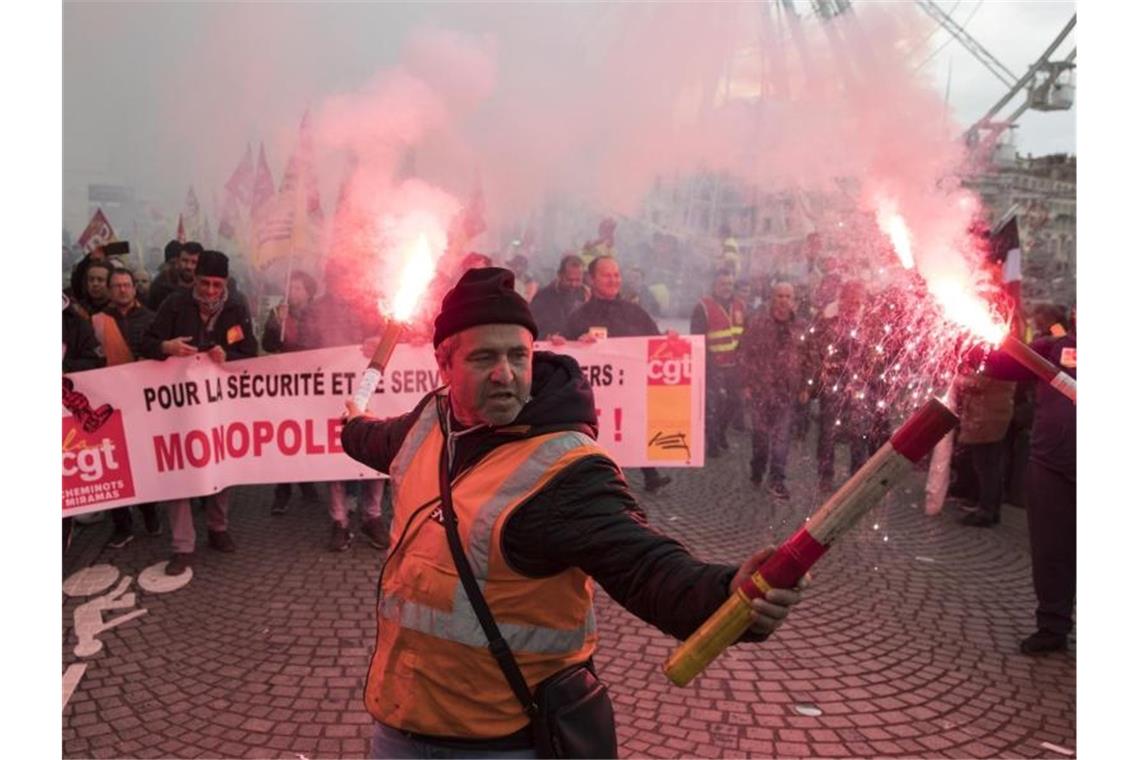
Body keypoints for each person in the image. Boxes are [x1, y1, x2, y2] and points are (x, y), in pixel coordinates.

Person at [339, 267, 807, 757]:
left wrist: (729, 596)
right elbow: (380, 441)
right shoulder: (430, 419)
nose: (505, 373)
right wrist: (351, 427)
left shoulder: (565, 471)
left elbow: (645, 566)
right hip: (396, 729)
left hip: (498, 745)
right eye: (483, 358)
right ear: (444, 364)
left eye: (517, 355)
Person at [142, 250, 258, 576]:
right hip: (178, 404)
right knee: (179, 467)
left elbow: (249, 351)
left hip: (219, 405)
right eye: (204, 283)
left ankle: (218, 529)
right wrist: (166, 348)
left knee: (221, 464)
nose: (209, 290)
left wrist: (229, 354)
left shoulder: (236, 306)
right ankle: (183, 545)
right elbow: (146, 341)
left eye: (216, 284)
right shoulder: (174, 304)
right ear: (195, 279)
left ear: (225, 283)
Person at [986, 324, 1076, 654]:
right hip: (1050, 467)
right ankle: (1052, 625)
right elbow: (1000, 364)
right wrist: (977, 347)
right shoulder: (1052, 348)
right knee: (1051, 550)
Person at [562, 256, 672, 493]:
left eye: (617, 275)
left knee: (634, 429)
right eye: (607, 275)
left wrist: (671, 342)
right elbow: (563, 353)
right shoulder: (579, 316)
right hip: (596, 401)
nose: (614, 280)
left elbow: (656, 343)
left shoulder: (635, 312)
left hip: (630, 394)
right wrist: (572, 344)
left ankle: (646, 476)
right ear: (592, 279)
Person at [307, 259, 390, 552]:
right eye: (337, 279)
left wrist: (378, 341)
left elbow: (395, 334)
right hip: (332, 393)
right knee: (336, 457)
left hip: (372, 390)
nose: (343, 285)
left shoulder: (373, 304)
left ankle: (372, 517)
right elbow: (305, 348)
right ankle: (339, 520)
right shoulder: (316, 309)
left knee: (376, 447)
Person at [93, 269, 162, 547]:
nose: (122, 290)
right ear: (109, 290)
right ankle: (122, 525)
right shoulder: (96, 322)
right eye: (117, 286)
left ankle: (150, 512)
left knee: (144, 462)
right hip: (109, 403)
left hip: (142, 405)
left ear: (135, 288)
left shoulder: (151, 318)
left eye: (127, 285)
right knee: (115, 465)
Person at [741, 282, 808, 500]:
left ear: (793, 299)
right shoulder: (757, 324)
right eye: (779, 295)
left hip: (786, 392)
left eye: (788, 296)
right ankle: (758, 467)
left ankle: (777, 479)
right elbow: (745, 353)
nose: (783, 300)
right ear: (772, 298)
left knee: (781, 439)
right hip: (761, 390)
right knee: (761, 438)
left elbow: (809, 357)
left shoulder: (801, 326)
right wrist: (746, 384)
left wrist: (807, 386)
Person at [262, 270, 322, 514]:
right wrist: (277, 325)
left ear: (308, 292)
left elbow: (319, 344)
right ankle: (283, 490)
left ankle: (306, 480)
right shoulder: (277, 313)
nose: (293, 293)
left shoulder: (317, 315)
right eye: (291, 288)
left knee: (307, 435)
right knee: (286, 437)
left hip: (310, 385)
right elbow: (268, 344)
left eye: (298, 288)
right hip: (286, 386)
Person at [805, 281, 871, 493]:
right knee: (828, 432)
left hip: (858, 387)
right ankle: (825, 475)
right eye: (850, 301)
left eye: (858, 302)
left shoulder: (867, 326)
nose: (854, 306)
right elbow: (816, 351)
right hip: (833, 385)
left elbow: (874, 356)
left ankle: (857, 475)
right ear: (842, 301)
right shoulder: (829, 324)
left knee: (859, 432)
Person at [690, 268, 746, 458]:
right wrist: (706, 364)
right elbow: (697, 339)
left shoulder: (740, 306)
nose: (727, 288)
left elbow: (745, 335)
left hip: (735, 365)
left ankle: (721, 432)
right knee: (713, 406)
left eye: (730, 284)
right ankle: (713, 443)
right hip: (712, 364)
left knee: (735, 402)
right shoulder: (703, 307)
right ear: (714, 285)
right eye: (723, 284)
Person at [528, 254, 589, 339]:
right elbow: (531, 328)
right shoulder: (543, 297)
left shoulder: (586, 295)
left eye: (578, 280)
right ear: (560, 275)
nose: (573, 284)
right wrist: (548, 337)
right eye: (569, 280)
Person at [146, 241, 202, 311]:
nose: (188, 266)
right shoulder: (161, 283)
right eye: (185, 260)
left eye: (194, 262)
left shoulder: (206, 284)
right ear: (178, 260)